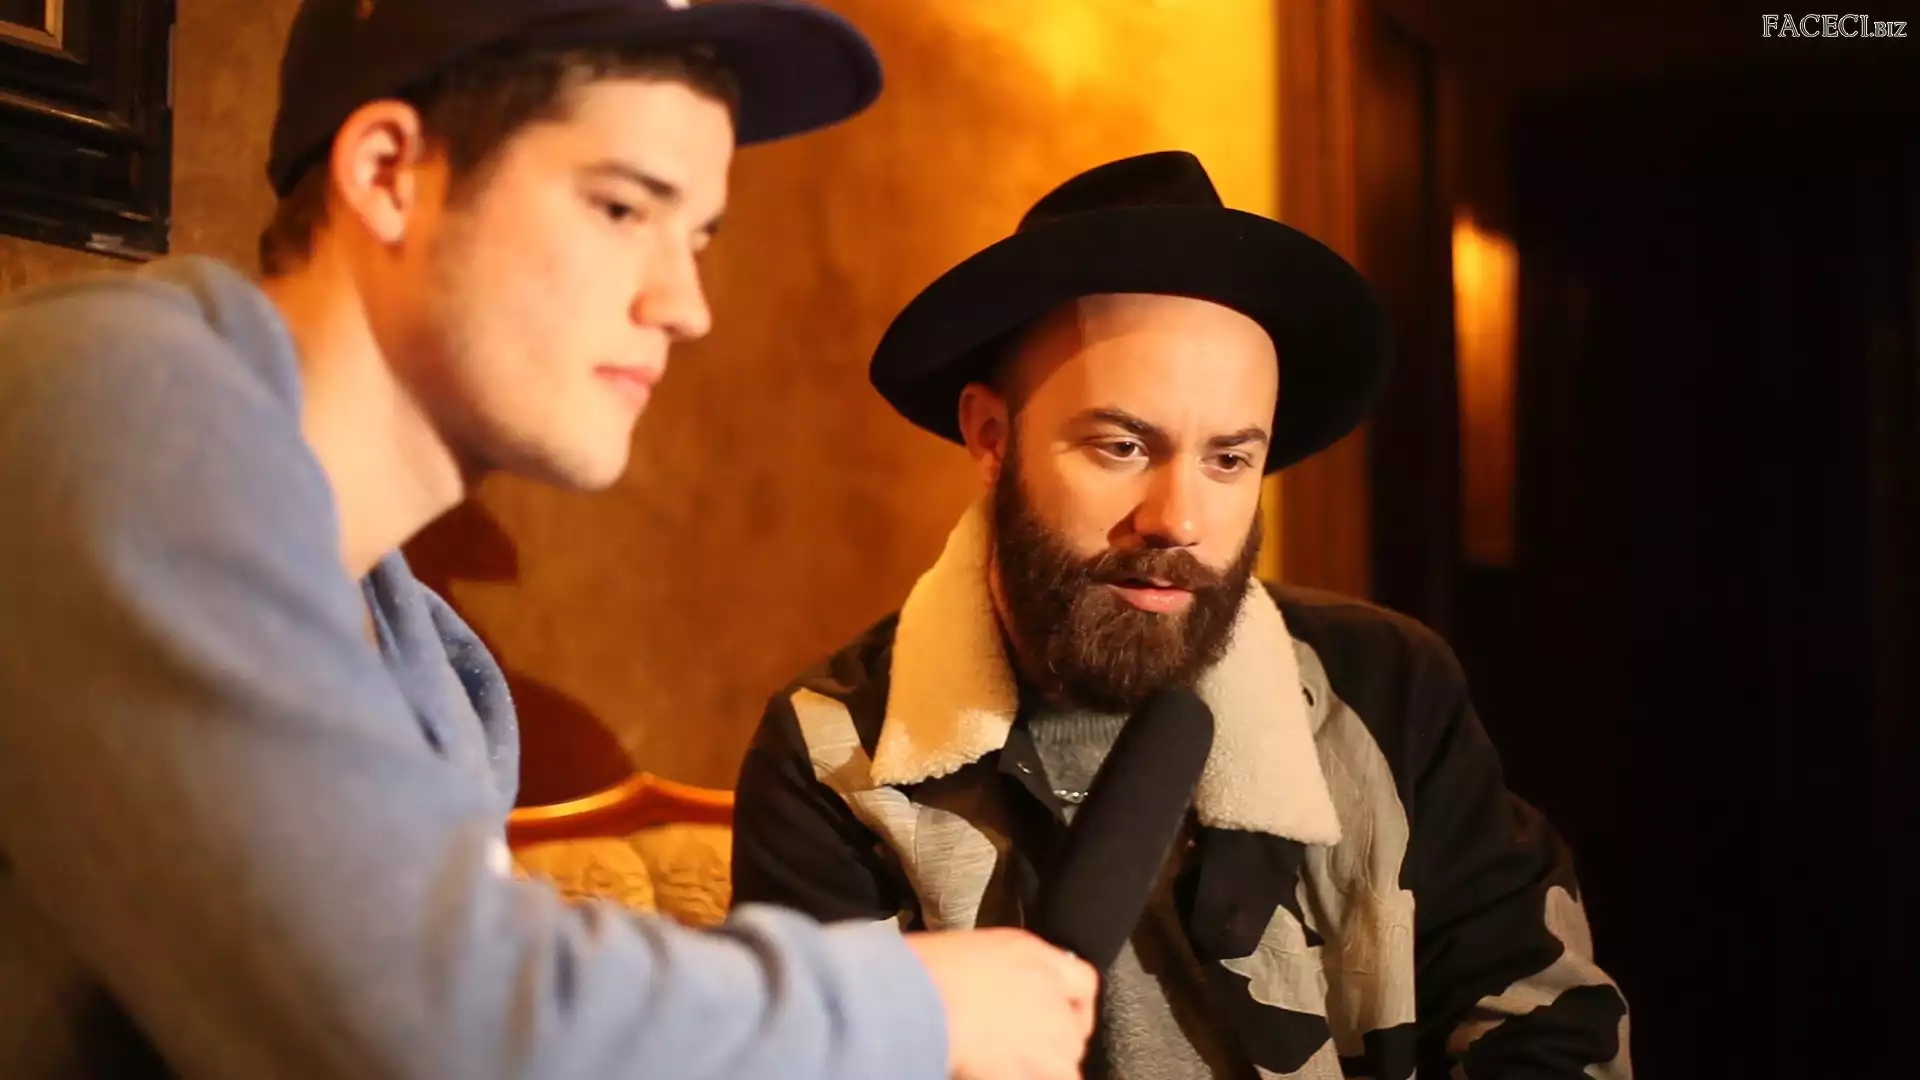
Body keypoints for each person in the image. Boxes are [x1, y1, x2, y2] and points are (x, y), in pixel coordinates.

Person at [0, 1, 1097, 1077]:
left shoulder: (423, 661)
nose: (687, 304)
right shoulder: (109, 404)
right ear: (388, 172)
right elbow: (440, 1022)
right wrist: (918, 1005)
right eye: (621, 208)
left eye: (698, 236)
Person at [729, 150, 1633, 1080]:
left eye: (1229, 460)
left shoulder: (1386, 689)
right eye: (1123, 446)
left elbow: (1546, 1030)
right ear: (992, 438)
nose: (1179, 520)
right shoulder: (835, 752)